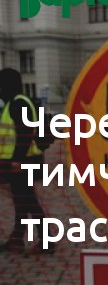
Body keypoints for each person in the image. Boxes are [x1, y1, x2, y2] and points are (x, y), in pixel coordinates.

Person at [0, 68, 51, 254]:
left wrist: (17, 160)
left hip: (23, 162)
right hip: (24, 161)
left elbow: (24, 133)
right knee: (21, 201)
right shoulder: (18, 102)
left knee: (28, 201)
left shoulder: (18, 104)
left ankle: (47, 241)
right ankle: (17, 238)